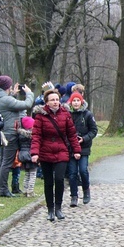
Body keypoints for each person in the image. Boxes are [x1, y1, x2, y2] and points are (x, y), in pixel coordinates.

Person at [31, 89, 82, 221]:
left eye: (57, 99)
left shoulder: (65, 114)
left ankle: (58, 207)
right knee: (48, 182)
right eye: (52, 100)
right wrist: (35, 153)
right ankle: (50, 209)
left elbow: (71, 134)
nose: (55, 102)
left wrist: (76, 150)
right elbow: (36, 136)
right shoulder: (40, 116)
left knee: (59, 179)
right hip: (45, 151)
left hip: (61, 151)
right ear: (46, 102)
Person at [0, 75, 35, 197]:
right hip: (10, 133)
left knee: (3, 162)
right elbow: (27, 104)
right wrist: (29, 93)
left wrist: (12, 94)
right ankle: (3, 189)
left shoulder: (2, 97)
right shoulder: (6, 100)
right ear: (8, 85)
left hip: (6, 132)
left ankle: (2, 188)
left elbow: (10, 106)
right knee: (6, 162)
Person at [67, 92, 98, 206]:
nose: (75, 103)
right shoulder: (67, 114)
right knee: (72, 173)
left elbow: (93, 130)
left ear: (81, 102)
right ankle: (74, 196)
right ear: (71, 102)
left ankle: (86, 190)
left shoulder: (87, 115)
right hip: (70, 147)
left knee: (83, 170)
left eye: (77, 101)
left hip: (83, 147)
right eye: (74, 101)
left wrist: (84, 139)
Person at [17, 116, 38, 197]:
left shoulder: (21, 135)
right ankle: (30, 191)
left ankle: (25, 190)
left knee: (27, 174)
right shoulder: (32, 135)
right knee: (33, 174)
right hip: (31, 155)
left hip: (23, 155)